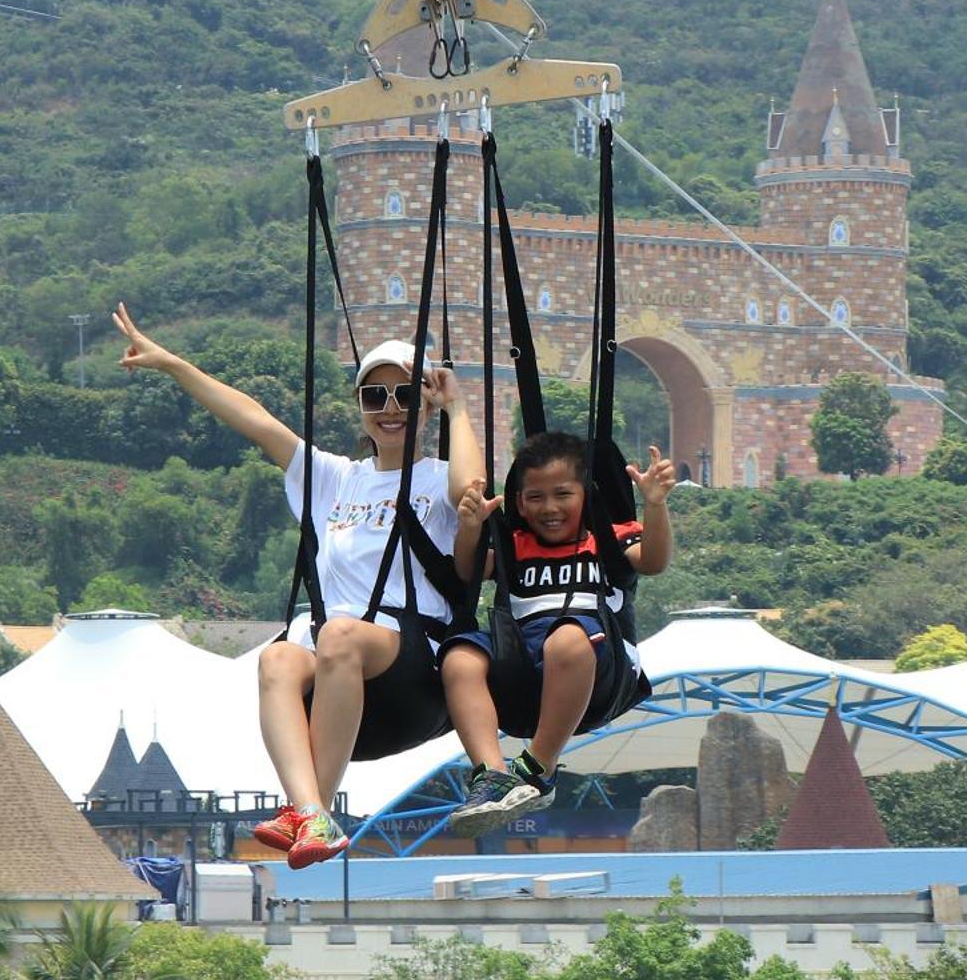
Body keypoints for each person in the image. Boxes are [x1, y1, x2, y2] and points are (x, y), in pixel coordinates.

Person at [112, 304, 480, 868]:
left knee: (337, 636)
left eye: (404, 396)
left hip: (409, 654)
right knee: (279, 658)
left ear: (424, 404)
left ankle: (318, 809)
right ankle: (308, 811)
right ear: (360, 410)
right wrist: (173, 366)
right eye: (374, 397)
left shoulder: (434, 480)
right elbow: (256, 422)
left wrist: (456, 407)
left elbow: (470, 491)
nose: (389, 410)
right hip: (338, 653)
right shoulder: (336, 479)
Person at [441, 430, 675, 836]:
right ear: (519, 503)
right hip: (521, 664)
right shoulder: (515, 545)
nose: (549, 508)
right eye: (535, 497)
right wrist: (471, 529)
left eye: (562, 494)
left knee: (565, 639)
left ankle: (539, 766)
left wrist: (655, 506)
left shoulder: (607, 538)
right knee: (458, 659)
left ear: (585, 494)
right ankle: (491, 774)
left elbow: (652, 561)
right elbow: (467, 572)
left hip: (596, 661)